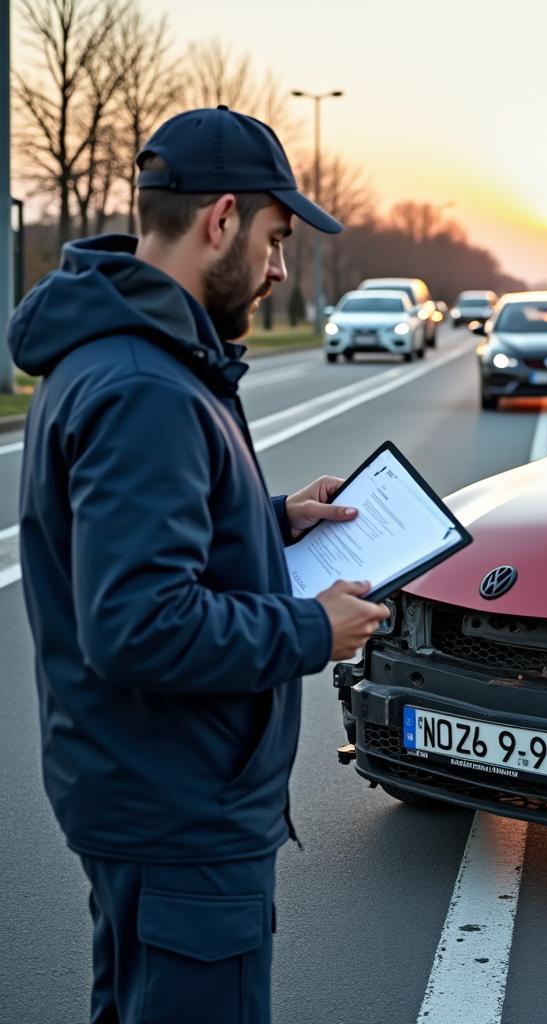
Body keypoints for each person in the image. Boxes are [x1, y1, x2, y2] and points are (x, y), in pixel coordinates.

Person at [8, 106, 390, 1023]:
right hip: (177, 810)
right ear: (221, 219)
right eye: (273, 239)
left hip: (149, 791)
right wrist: (312, 628)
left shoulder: (132, 357)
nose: (278, 270)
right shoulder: (145, 385)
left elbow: (131, 539)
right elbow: (138, 623)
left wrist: (273, 522)